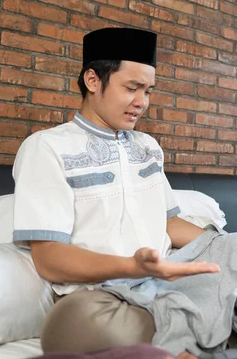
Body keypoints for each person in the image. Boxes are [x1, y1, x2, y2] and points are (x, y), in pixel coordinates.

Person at [12, 28, 219, 359]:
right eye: (132, 88)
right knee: (92, 328)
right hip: (97, 299)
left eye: (148, 91)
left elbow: (170, 224)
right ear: (93, 81)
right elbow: (49, 257)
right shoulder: (48, 148)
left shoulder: (148, 147)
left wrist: (227, 245)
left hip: (162, 285)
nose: (142, 102)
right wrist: (134, 267)